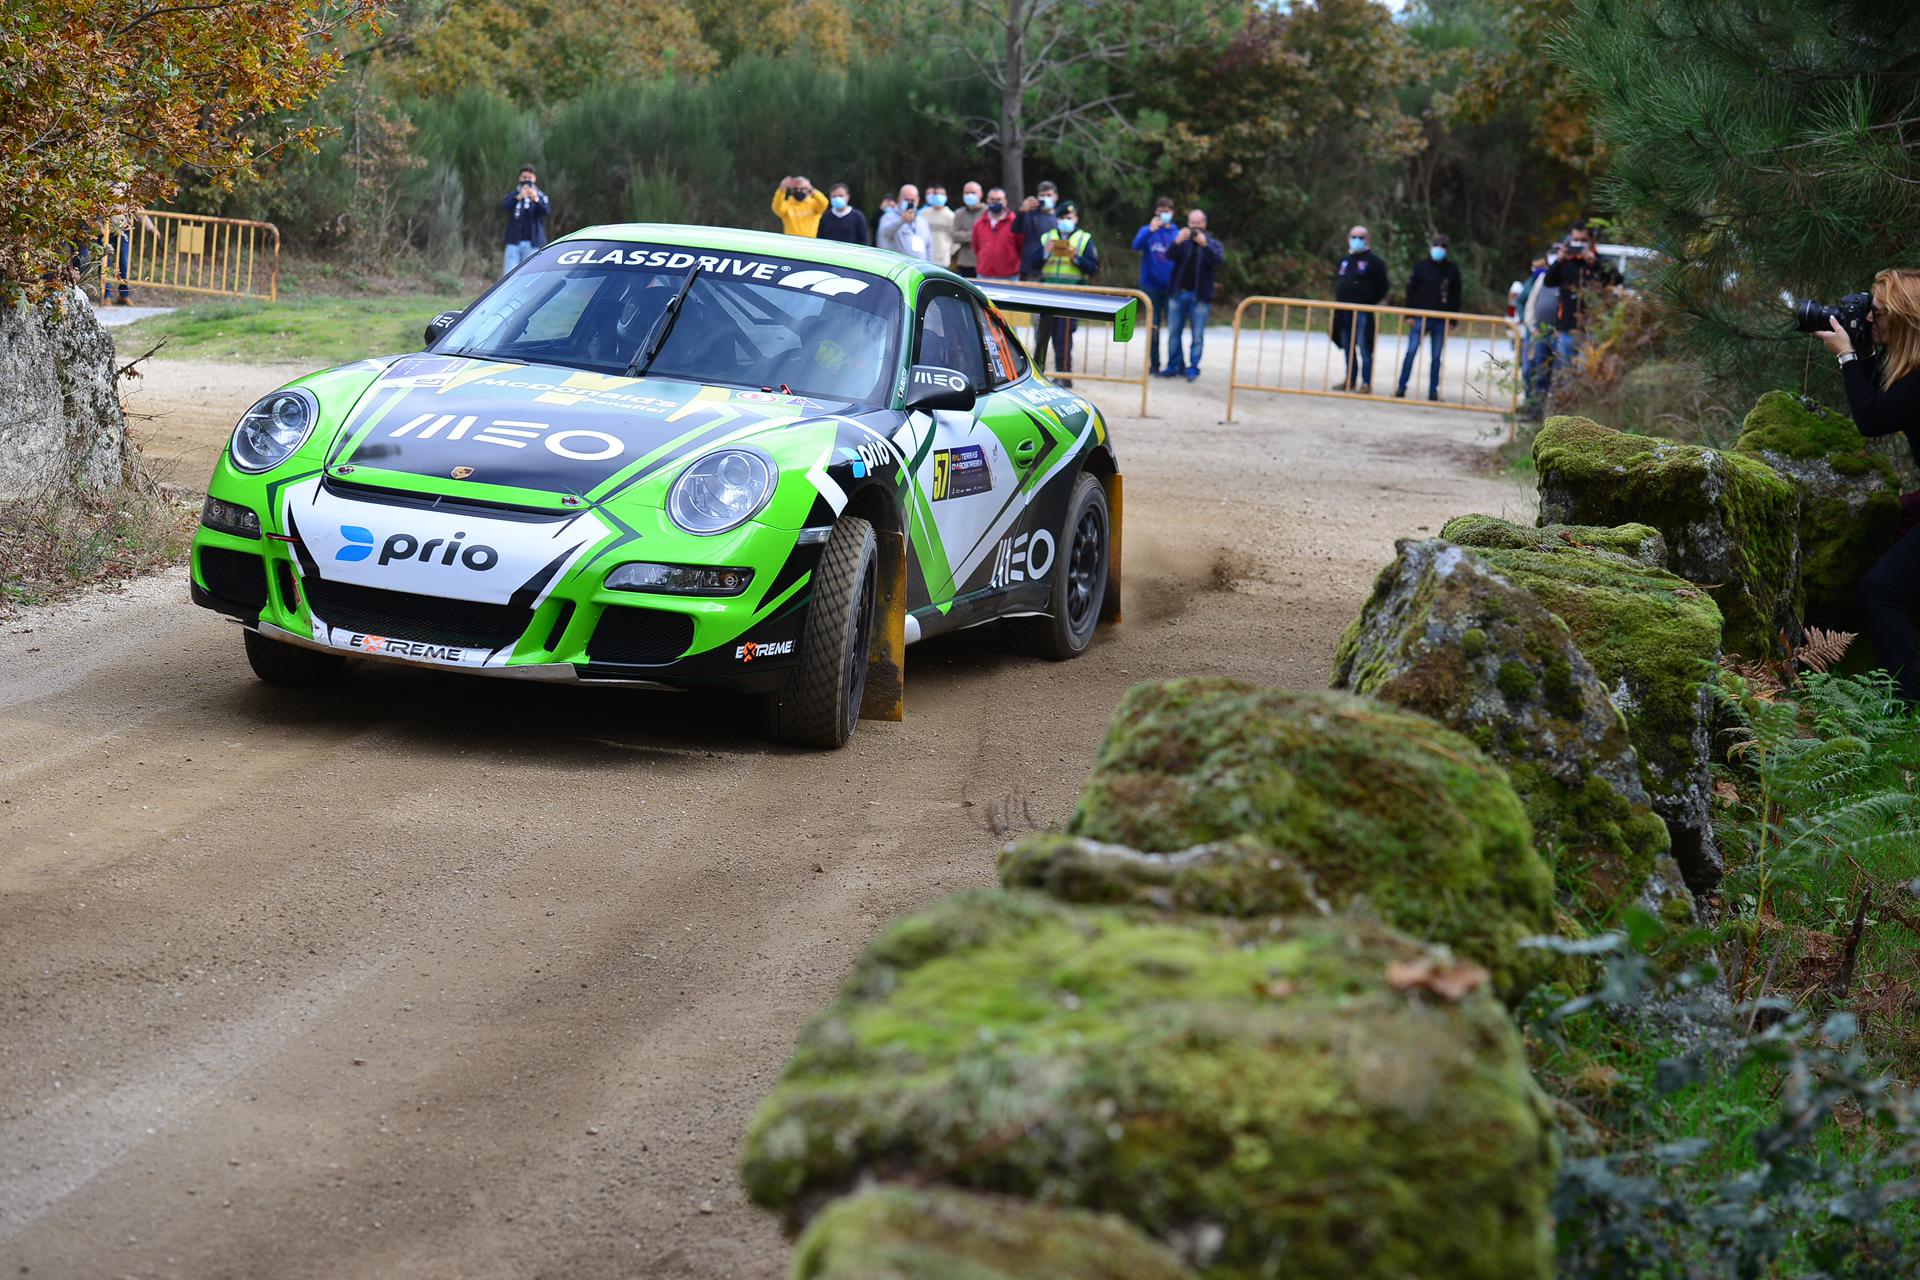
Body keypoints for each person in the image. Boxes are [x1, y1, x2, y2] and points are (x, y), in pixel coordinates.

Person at [1821, 269, 1920, 702]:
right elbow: (1880, 393)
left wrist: (1846, 356)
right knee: (1893, 523)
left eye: (1877, 314)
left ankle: (1906, 708)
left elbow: (1872, 418)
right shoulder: (1911, 368)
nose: (1869, 320)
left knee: (1879, 589)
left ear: (1902, 318)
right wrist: (1860, 348)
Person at [1540, 224, 1619, 390]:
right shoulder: (1565, 263)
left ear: (1590, 241)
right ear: (1570, 239)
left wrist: (1594, 262)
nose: (1579, 244)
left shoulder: (1599, 261)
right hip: (1567, 328)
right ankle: (1561, 409)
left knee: (1587, 373)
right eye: (1575, 240)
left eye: (1583, 240)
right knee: (1564, 372)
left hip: (1591, 329)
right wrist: (1559, 261)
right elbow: (1548, 282)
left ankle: (1580, 410)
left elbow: (1617, 278)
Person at [1395, 234, 1464, 401]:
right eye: (1436, 245)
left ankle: (1433, 390)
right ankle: (1401, 387)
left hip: (1441, 319)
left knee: (1436, 357)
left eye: (1442, 246)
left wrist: (1453, 321)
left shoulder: (1452, 269)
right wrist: (1409, 315)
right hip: (1419, 317)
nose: (1438, 249)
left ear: (1447, 249)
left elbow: (1456, 296)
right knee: (1410, 352)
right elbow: (1411, 291)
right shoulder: (1421, 266)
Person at [1037, 201, 1098, 378]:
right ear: (1057, 219)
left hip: (1070, 296)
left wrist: (1076, 258)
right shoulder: (1047, 237)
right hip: (1046, 295)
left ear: (1076, 218)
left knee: (1063, 337)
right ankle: (1038, 376)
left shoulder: (1084, 238)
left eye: (1069, 218)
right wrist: (1045, 253)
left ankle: (1064, 375)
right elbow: (1031, 263)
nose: (1065, 221)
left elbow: (1093, 267)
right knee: (1041, 336)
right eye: (1062, 218)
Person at [1162, 208, 1224, 381]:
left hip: (1200, 297)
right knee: (1174, 332)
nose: (1196, 227)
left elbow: (1219, 261)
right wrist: (1176, 242)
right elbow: (1168, 255)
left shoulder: (1212, 243)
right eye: (1192, 223)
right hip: (1177, 294)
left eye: (1199, 223)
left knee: (1197, 335)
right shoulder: (1182, 241)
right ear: (1188, 224)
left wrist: (1205, 245)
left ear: (1204, 224)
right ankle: (1174, 365)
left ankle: (1193, 367)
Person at [1331, 225, 1388, 393]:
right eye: (1354, 236)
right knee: (1348, 347)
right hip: (1344, 311)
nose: (1357, 240)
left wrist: (1369, 302)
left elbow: (1383, 286)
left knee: (1364, 347)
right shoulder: (1345, 260)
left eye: (1361, 237)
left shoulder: (1374, 262)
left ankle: (1366, 383)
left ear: (1367, 239)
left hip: (1363, 311)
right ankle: (1350, 380)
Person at [1132, 197, 1178, 374]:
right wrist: (1149, 232)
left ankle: (1175, 364)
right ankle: (1154, 363)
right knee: (1154, 327)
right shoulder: (1147, 230)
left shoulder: (1176, 233)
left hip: (1171, 287)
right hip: (1151, 286)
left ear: (1172, 213)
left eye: (1167, 210)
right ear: (1155, 212)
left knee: (1174, 328)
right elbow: (1135, 246)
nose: (1163, 214)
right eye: (1160, 210)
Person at [103, 184, 156, 306]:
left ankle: (124, 294)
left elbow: (137, 208)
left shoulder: (126, 184)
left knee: (124, 262)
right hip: (106, 231)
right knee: (106, 263)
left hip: (123, 231)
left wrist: (151, 227)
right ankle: (106, 295)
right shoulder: (104, 181)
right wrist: (99, 227)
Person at [500, 166, 550, 276]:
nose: (527, 180)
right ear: (519, 178)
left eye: (529, 177)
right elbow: (505, 207)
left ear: (534, 178)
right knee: (509, 275)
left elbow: (546, 211)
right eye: (524, 177)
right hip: (514, 241)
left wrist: (535, 199)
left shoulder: (541, 196)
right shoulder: (513, 195)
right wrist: (518, 197)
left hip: (533, 243)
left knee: (529, 274)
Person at [972, 188, 1023, 282]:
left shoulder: (1014, 222)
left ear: (1005, 201)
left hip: (1009, 276)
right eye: (992, 199)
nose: (995, 202)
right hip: (984, 274)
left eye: (998, 199)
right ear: (987, 200)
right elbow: (976, 247)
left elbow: (1021, 246)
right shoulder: (979, 224)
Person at [1016, 180, 1061, 281]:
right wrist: (1023, 211)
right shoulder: (1031, 214)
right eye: (1042, 195)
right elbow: (1016, 229)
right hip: (1031, 269)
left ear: (1056, 197)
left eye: (1049, 195)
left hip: (1053, 270)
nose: (1046, 198)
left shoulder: (1061, 218)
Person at [877, 185, 930, 260]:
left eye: (912, 200)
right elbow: (884, 233)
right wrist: (902, 220)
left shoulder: (922, 221)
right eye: (906, 200)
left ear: (917, 200)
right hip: (897, 268)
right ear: (899, 199)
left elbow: (929, 246)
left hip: (920, 268)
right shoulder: (888, 217)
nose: (909, 203)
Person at [951, 181, 985, 276]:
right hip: (964, 263)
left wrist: (965, 234)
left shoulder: (987, 212)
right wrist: (976, 234)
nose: (969, 195)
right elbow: (955, 236)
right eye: (967, 193)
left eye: (973, 193)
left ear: (981, 194)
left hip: (983, 262)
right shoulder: (959, 213)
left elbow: (987, 236)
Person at [922, 185, 956, 270]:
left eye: (942, 194)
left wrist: (948, 251)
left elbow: (956, 239)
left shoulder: (951, 216)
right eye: (936, 194)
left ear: (946, 197)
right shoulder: (924, 214)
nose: (939, 196)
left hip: (943, 261)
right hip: (925, 259)